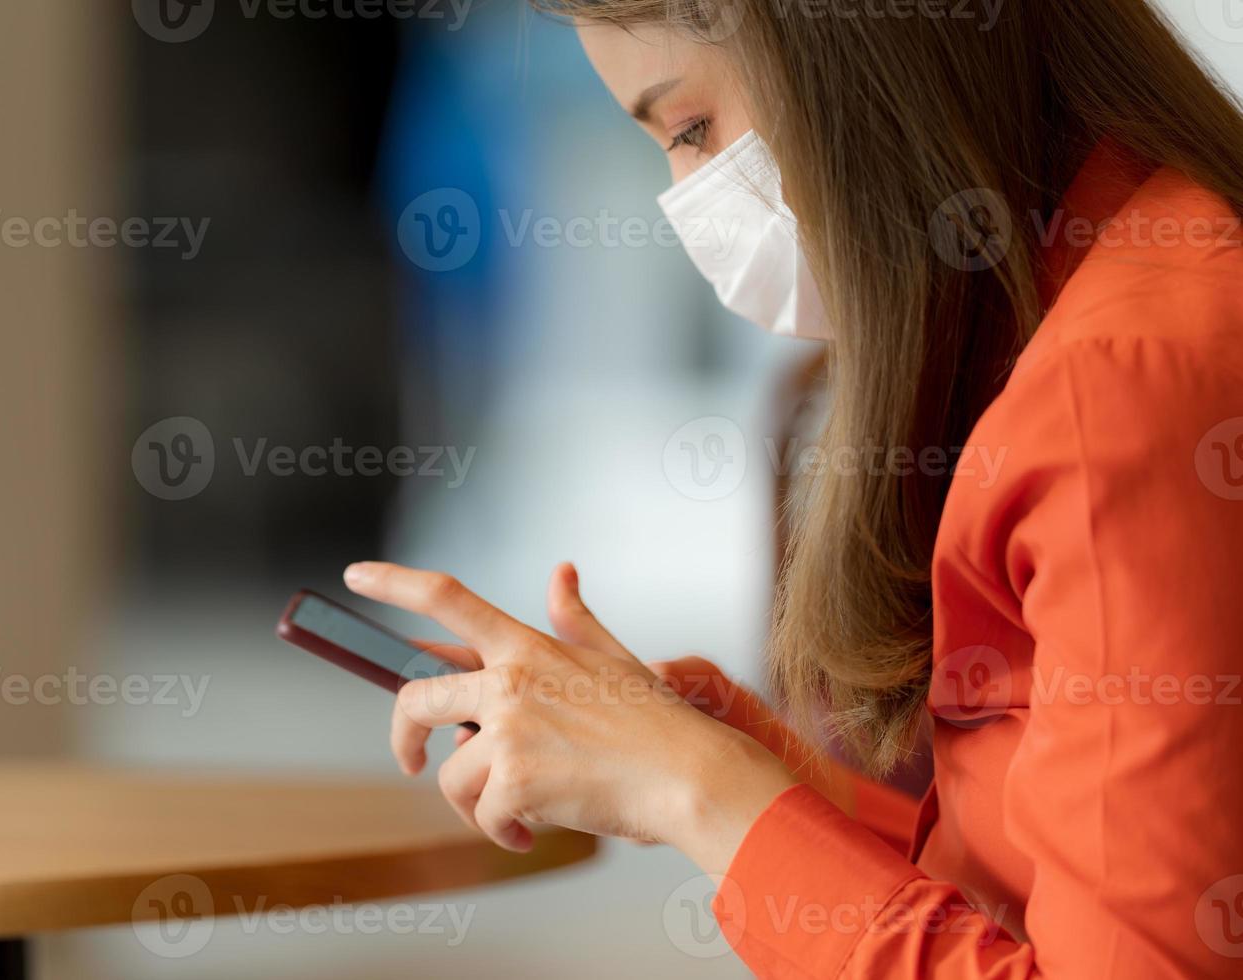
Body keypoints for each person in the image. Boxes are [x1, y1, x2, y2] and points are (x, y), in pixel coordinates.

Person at [345, 1, 1243, 974]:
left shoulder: (1117, 382)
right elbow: (1031, 882)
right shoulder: (1124, 288)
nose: (684, 195)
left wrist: (698, 791)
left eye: (690, 129)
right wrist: (733, 763)